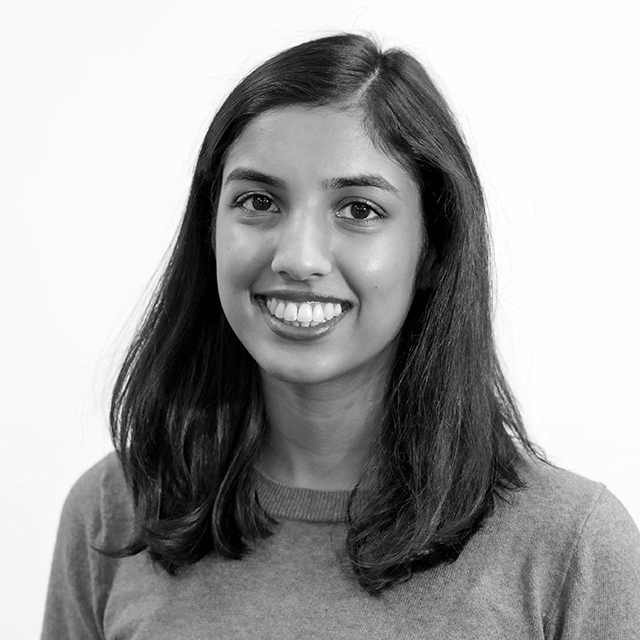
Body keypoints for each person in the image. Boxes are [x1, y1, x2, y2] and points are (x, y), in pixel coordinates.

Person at [42, 33, 640, 639]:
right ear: (209, 230)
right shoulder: (112, 512)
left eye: (359, 210)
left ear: (433, 249)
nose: (299, 258)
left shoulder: (572, 549)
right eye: (258, 201)